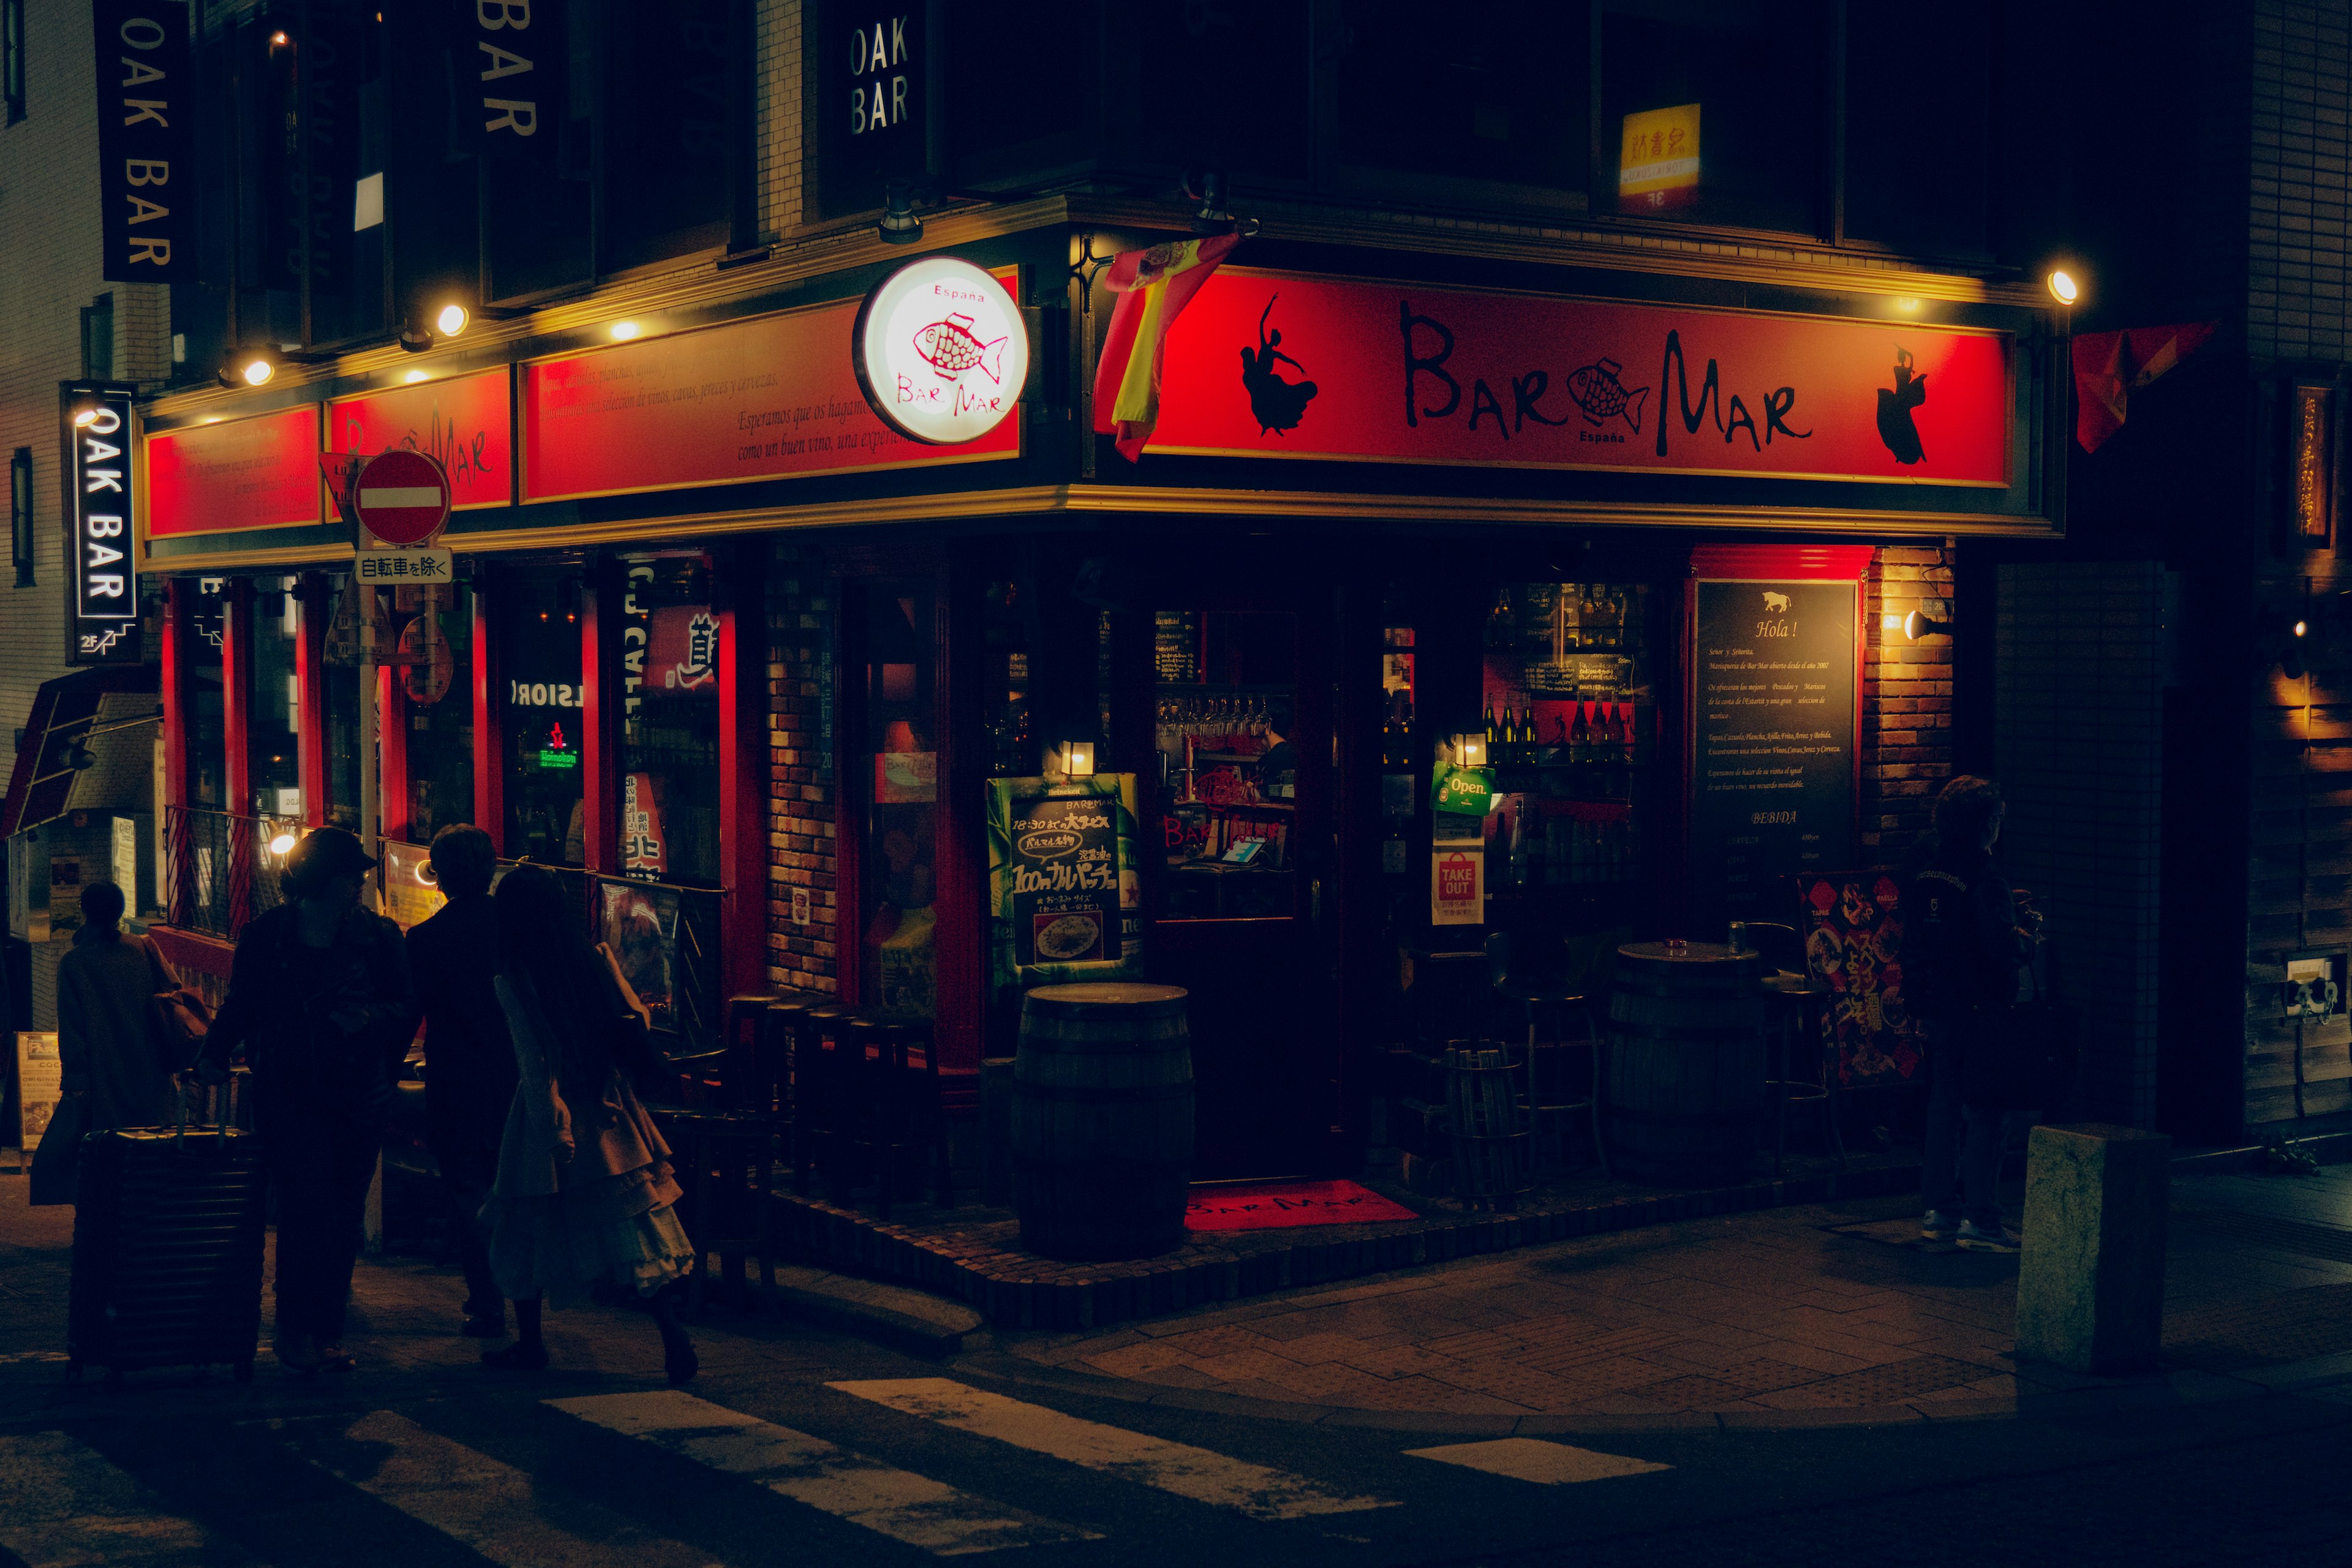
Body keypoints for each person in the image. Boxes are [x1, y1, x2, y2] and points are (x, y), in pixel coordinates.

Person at [197, 829, 419, 1374]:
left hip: (357, 1094)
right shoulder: (269, 937)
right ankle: (294, 1329)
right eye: (353, 878)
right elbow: (243, 1003)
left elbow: (405, 1007)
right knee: (305, 1209)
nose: (360, 886)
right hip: (290, 1094)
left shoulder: (378, 937)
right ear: (327, 883)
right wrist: (214, 1054)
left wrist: (369, 1020)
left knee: (342, 1215)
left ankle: (326, 1332)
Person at [478, 863, 696, 1382]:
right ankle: (673, 1337)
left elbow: (535, 1060)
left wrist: (553, 1129)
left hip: (550, 1111)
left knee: (525, 1224)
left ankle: (530, 1342)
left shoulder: (514, 978)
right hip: (610, 1107)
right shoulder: (593, 957)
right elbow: (636, 1020)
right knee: (633, 1221)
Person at [1904, 775, 2030, 1253]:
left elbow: (1918, 938)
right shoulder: (1985, 876)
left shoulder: (1926, 868)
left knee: (1944, 1105)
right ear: (1984, 824)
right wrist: (2025, 939)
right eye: (1997, 819)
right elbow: (1999, 947)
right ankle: (1982, 1219)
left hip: (1938, 1005)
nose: (1999, 827)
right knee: (1988, 1111)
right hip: (1983, 1007)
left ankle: (1939, 1211)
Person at [404, 825, 516, 1340]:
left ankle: (487, 1297)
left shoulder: (426, 939)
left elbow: (410, 1014)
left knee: (468, 1185)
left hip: (456, 1077)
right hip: (519, 1075)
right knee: (517, 1184)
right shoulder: (515, 931)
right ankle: (525, 1294)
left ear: (441, 876)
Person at [56, 881, 179, 1134]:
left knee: (110, 1148)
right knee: (153, 1144)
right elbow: (173, 995)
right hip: (151, 1065)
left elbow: (72, 1029)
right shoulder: (144, 948)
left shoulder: (74, 963)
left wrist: (76, 1081)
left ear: (84, 909)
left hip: (105, 1074)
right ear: (120, 911)